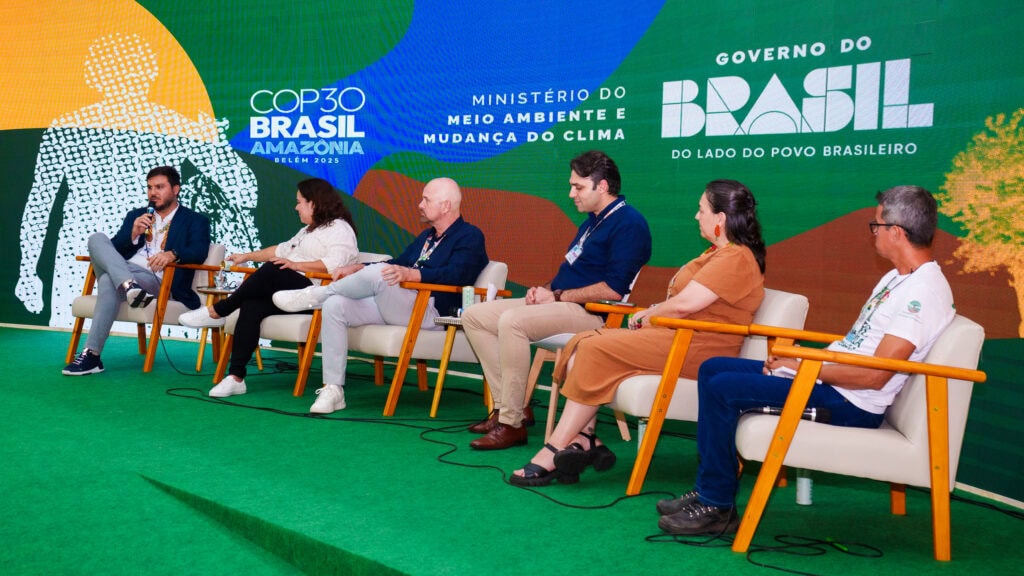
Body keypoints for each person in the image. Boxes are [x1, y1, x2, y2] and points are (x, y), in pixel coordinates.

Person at [657, 185, 956, 536]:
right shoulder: (897, 278)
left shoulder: (923, 293)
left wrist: (804, 366)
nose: (872, 233)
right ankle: (710, 488)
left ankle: (716, 505)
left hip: (849, 402)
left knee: (724, 387)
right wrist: (797, 358)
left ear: (897, 232)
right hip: (829, 381)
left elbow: (875, 377)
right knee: (713, 368)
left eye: (876, 225)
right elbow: (855, 346)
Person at [510, 179, 766, 485]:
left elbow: (687, 303)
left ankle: (555, 448)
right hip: (679, 338)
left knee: (593, 347)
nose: (696, 216)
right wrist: (655, 312)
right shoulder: (717, 254)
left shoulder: (736, 256)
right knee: (584, 343)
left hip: (698, 349)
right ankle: (584, 437)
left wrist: (650, 313)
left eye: (701, 210)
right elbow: (687, 302)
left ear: (720, 218)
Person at [462, 150, 652, 450]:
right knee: (475, 316)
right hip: (562, 303)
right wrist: (545, 290)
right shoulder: (592, 222)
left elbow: (614, 289)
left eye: (578, 187)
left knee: (512, 322)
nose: (571, 193)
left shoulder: (629, 224)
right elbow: (571, 273)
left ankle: (511, 424)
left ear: (601, 187)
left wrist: (558, 295)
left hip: (593, 314)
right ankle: (510, 406)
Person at [273, 177, 488, 414]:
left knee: (380, 274)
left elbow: (458, 274)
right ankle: (333, 389)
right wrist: (360, 268)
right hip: (401, 305)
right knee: (336, 305)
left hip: (431, 312)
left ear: (446, 205)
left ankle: (317, 295)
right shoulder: (427, 237)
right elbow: (397, 263)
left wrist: (412, 274)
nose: (420, 204)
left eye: (426, 199)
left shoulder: (470, 235)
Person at [179, 178, 359, 397]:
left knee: (275, 269)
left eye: (300, 202)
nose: (296, 207)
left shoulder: (339, 228)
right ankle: (236, 377)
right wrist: (246, 256)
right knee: (252, 304)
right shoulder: (307, 231)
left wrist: (297, 265)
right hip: (288, 293)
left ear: (314, 203)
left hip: (315, 294)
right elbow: (279, 250)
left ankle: (219, 310)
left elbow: (337, 264)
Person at [62, 166, 212, 375]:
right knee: (96, 239)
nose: (153, 193)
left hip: (157, 280)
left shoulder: (195, 220)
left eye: (160, 187)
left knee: (106, 280)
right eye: (150, 187)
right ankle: (128, 285)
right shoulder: (137, 215)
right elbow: (112, 250)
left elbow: (199, 250)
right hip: (126, 272)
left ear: (176, 189)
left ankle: (92, 356)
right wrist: (132, 233)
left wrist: (172, 254)